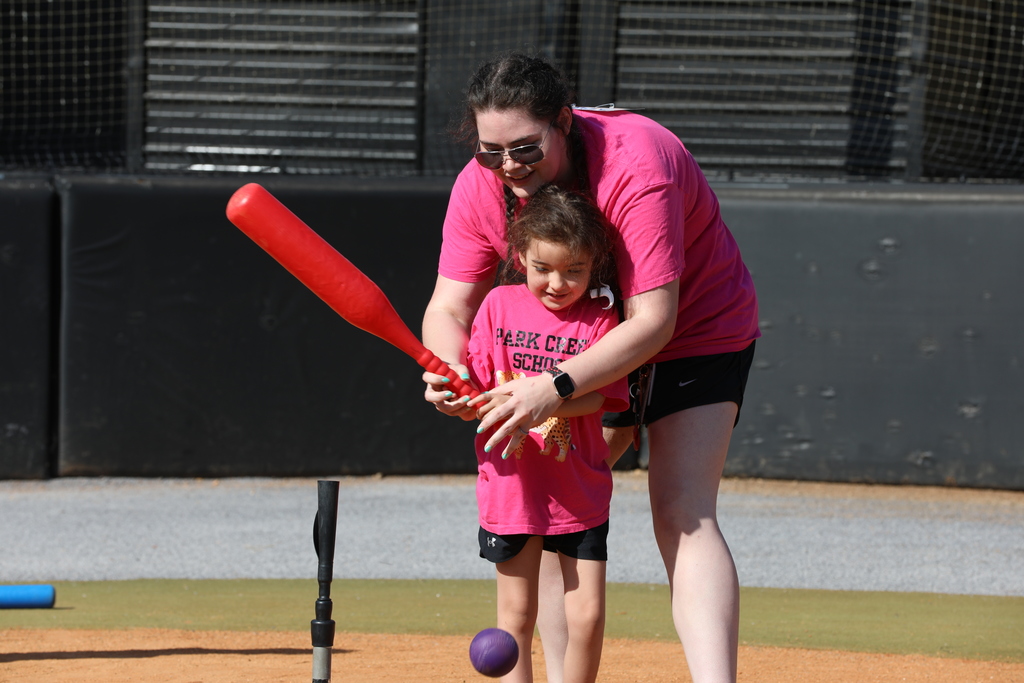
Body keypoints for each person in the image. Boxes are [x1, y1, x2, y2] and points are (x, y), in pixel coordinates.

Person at [422, 51, 759, 683]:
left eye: (524, 148)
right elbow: (449, 306)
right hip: (576, 335)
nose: (509, 169)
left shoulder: (637, 163)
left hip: (696, 327)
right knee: (556, 507)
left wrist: (553, 388)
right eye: (490, 152)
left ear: (564, 123)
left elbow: (654, 320)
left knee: (682, 506)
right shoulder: (481, 184)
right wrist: (450, 370)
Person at [464, 183, 629, 683]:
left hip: (578, 490)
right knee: (514, 617)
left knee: (588, 617)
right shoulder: (497, 306)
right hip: (511, 489)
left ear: (594, 264)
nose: (558, 283)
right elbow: (477, 389)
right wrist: (455, 392)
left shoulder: (602, 318)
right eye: (543, 269)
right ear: (520, 256)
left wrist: (546, 404)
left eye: (574, 270)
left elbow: (606, 396)